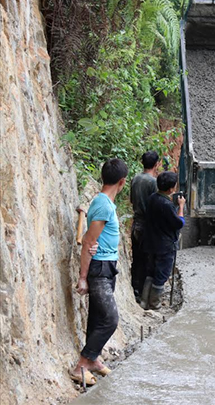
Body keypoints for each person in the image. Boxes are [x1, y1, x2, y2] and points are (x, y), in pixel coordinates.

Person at [71, 158, 128, 386]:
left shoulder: (104, 203)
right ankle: (81, 365)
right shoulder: (104, 204)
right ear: (122, 182)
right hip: (99, 268)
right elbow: (88, 242)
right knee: (110, 319)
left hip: (106, 266)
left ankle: (93, 359)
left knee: (96, 316)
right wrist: (83, 277)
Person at [141, 171, 185, 310]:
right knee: (162, 274)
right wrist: (181, 206)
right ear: (171, 188)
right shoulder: (166, 204)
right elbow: (179, 223)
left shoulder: (152, 198)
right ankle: (155, 303)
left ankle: (144, 301)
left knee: (151, 271)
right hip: (165, 245)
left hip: (151, 242)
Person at [129, 151, 159, 301]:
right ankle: (143, 295)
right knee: (148, 261)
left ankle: (134, 289)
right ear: (156, 164)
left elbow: (131, 200)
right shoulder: (153, 182)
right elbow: (155, 205)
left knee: (137, 259)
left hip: (136, 224)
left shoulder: (135, 179)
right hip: (148, 226)